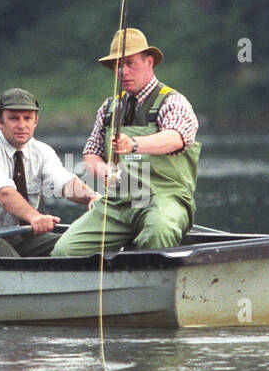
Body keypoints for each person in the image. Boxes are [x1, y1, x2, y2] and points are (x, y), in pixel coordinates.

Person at [51, 28, 200, 257]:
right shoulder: (109, 107)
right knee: (64, 250)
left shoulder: (173, 101)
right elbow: (91, 154)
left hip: (165, 199)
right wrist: (103, 172)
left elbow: (176, 138)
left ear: (149, 62)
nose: (123, 71)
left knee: (158, 231)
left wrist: (134, 145)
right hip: (118, 204)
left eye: (130, 63)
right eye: (118, 66)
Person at [0, 88, 99, 257]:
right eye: (13, 118)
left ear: (35, 121)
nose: (21, 125)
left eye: (27, 118)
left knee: (70, 242)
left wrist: (92, 197)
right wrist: (35, 217)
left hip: (17, 237)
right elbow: (4, 194)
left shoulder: (43, 151)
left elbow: (64, 182)